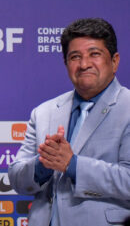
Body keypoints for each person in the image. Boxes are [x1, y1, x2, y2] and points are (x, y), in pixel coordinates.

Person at [8, 18, 130, 225]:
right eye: (75, 57)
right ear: (66, 63)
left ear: (115, 61)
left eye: (95, 54)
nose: (84, 64)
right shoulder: (43, 112)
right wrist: (43, 164)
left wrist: (73, 165)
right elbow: (17, 179)